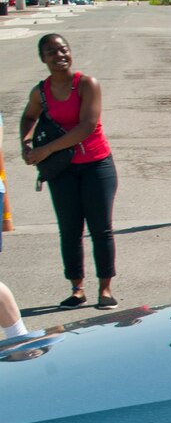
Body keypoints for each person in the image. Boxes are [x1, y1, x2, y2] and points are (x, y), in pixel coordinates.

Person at [16, 33, 117, 308]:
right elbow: (28, 116)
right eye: (52, 52)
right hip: (63, 170)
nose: (59, 56)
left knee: (101, 229)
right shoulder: (41, 92)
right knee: (69, 229)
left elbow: (86, 127)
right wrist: (26, 142)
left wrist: (44, 151)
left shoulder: (86, 84)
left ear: (70, 53)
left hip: (97, 165)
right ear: (43, 58)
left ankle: (105, 289)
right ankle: (77, 288)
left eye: (63, 50)